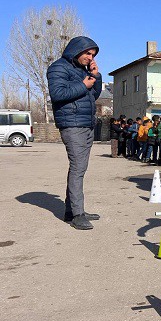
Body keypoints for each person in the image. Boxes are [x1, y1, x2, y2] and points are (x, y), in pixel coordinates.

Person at [46, 36, 102, 230]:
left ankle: (71, 210)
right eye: (87, 53)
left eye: (93, 54)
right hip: (72, 125)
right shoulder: (58, 67)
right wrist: (84, 85)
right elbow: (57, 94)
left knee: (79, 168)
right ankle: (78, 215)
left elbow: (93, 96)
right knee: (78, 168)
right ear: (76, 50)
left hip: (86, 124)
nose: (90, 57)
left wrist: (96, 76)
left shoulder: (82, 71)